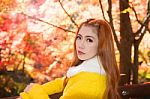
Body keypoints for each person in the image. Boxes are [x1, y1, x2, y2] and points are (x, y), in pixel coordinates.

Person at [18, 19, 120, 99]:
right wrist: (28, 94)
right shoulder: (94, 71)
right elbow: (63, 82)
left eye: (89, 40)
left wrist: (34, 90)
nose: (81, 45)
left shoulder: (89, 82)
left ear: (102, 45)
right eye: (79, 37)